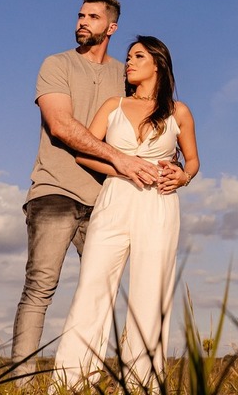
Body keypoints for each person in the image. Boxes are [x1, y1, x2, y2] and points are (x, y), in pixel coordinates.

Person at [12, 0, 161, 377]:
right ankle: (19, 382)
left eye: (93, 17)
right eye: (80, 16)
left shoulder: (123, 74)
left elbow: (142, 126)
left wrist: (173, 164)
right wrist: (120, 158)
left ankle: (85, 377)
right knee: (40, 289)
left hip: (107, 199)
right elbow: (60, 126)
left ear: (111, 27)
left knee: (102, 290)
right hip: (55, 190)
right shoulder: (56, 64)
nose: (82, 22)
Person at [52, 35, 199, 393]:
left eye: (137, 56)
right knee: (93, 287)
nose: (128, 62)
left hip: (159, 204)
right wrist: (122, 169)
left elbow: (193, 161)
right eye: (129, 56)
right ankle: (70, 384)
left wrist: (183, 176)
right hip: (115, 199)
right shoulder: (112, 104)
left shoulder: (179, 111)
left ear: (158, 64)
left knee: (151, 294)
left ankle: (141, 385)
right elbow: (85, 154)